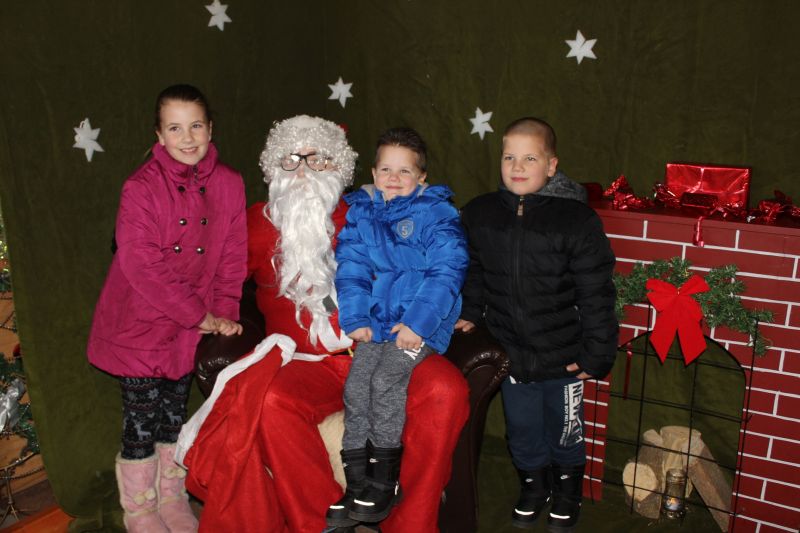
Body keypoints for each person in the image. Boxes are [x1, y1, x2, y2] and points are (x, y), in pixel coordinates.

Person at [177, 116, 470, 533]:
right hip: (306, 362)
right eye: (291, 159)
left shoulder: (373, 211)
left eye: (317, 159)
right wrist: (198, 311)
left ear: (340, 167)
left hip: (381, 346)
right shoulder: (256, 224)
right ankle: (320, 520)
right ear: (274, 168)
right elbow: (214, 274)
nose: (303, 170)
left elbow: (444, 257)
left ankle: (411, 523)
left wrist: (469, 308)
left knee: (447, 389)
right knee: (271, 400)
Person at [87, 84, 247, 532]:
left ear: (210, 128)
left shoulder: (230, 183)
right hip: (139, 323)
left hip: (190, 329)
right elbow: (141, 263)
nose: (187, 137)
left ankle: (173, 497)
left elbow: (233, 255)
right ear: (159, 135)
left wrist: (224, 313)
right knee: (142, 419)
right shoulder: (140, 187)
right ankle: (140, 508)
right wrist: (200, 315)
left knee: (174, 414)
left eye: (196, 125)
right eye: (175, 128)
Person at [455, 117, 617, 532]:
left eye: (530, 158)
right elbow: (473, 271)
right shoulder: (482, 214)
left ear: (551, 165)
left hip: (564, 357)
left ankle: (567, 491)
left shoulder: (575, 221)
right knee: (522, 431)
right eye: (509, 157)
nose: (518, 166)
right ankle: (533, 486)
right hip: (512, 354)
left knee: (565, 432)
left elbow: (596, 291)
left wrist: (597, 352)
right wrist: (469, 312)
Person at [329, 128, 469, 527]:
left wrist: (417, 324)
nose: (393, 178)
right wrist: (356, 318)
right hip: (377, 321)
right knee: (357, 386)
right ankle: (357, 483)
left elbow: (447, 271)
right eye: (386, 169)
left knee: (385, 380)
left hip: (421, 324)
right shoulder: (361, 213)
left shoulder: (436, 213)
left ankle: (385, 481)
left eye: (404, 171)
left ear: (421, 177)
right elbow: (352, 269)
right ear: (373, 173)